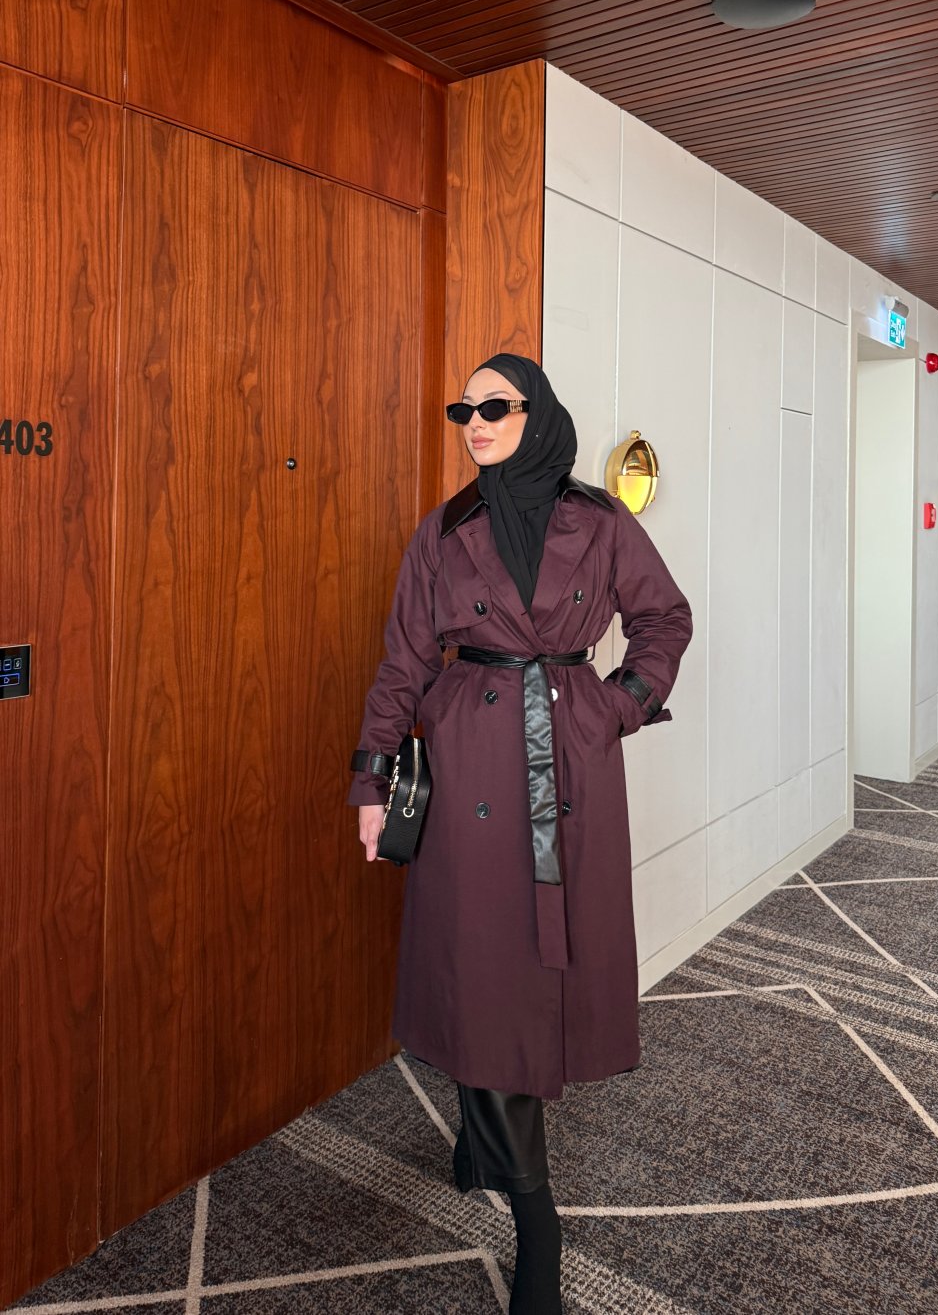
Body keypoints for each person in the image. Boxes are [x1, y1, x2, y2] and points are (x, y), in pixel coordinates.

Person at [349, 353, 693, 1314]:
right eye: (463, 408)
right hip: (471, 763)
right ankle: (537, 1219)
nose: (475, 420)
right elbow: (404, 660)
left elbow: (664, 617)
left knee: (541, 967)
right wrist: (372, 779)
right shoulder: (444, 529)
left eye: (494, 405)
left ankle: (481, 1138)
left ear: (536, 413)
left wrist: (620, 703)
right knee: (483, 967)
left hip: (571, 764)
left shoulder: (603, 520)